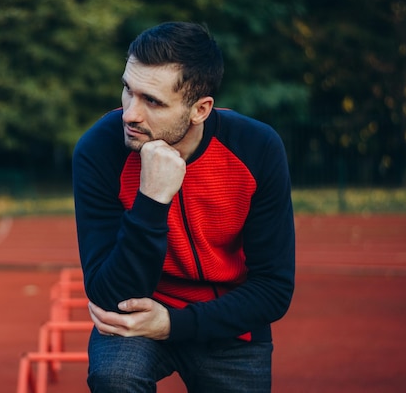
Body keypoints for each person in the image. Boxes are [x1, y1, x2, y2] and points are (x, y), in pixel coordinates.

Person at [72, 21, 295, 393]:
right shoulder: (100, 150)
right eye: (129, 89)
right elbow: (108, 294)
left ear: (200, 109)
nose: (129, 113)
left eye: (153, 101)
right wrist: (152, 200)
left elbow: (273, 289)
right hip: (138, 317)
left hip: (228, 323)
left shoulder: (257, 149)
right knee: (116, 377)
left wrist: (175, 324)